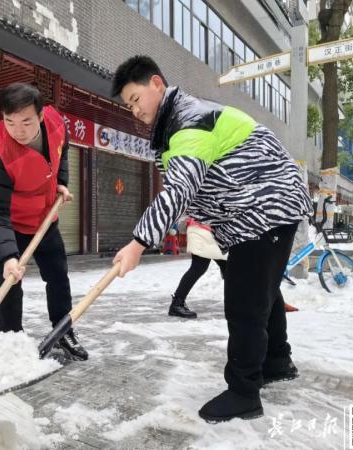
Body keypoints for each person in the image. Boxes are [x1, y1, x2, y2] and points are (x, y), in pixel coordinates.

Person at [111, 56, 312, 422]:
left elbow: (179, 189)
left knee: (244, 301)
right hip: (251, 212)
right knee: (261, 290)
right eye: (128, 105)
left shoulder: (190, 122)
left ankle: (244, 392)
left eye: (136, 98)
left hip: (264, 205)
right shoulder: (175, 123)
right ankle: (277, 362)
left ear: (157, 84)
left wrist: (138, 242)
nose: (134, 110)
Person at [0, 82, 87, 361]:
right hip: (10, 224)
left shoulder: (56, 122)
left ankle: (63, 330)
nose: (18, 131)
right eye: (9, 122)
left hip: (46, 219)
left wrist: (61, 181)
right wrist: (8, 255)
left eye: (26, 122)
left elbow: (61, 150)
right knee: (9, 283)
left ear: (40, 116)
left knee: (58, 276)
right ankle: (11, 343)